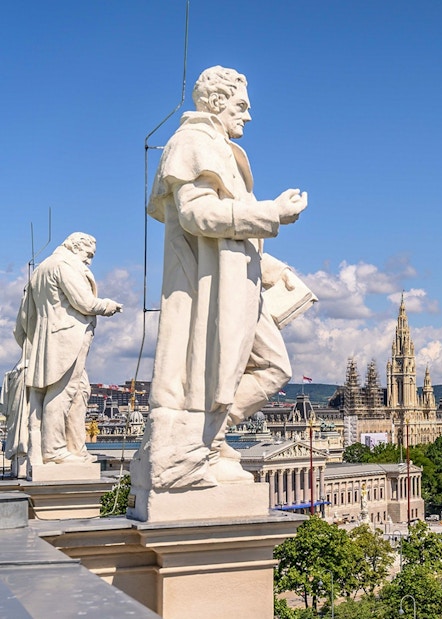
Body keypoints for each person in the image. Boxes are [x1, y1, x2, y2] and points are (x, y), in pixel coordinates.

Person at [131, 66, 308, 490]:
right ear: (215, 102)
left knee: (274, 366)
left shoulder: (222, 149)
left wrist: (270, 267)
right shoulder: (191, 143)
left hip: (240, 285)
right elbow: (197, 215)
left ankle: (211, 433)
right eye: (242, 106)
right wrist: (272, 213)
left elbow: (230, 236)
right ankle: (199, 442)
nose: (248, 116)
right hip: (209, 290)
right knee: (214, 368)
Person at [14, 232, 122, 466]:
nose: (89, 260)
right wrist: (108, 306)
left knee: (71, 391)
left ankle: (70, 447)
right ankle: (54, 450)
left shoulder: (40, 270)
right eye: (88, 254)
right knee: (62, 392)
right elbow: (84, 302)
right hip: (66, 338)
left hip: (46, 338)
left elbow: (23, 319)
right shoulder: (64, 265)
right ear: (75, 246)